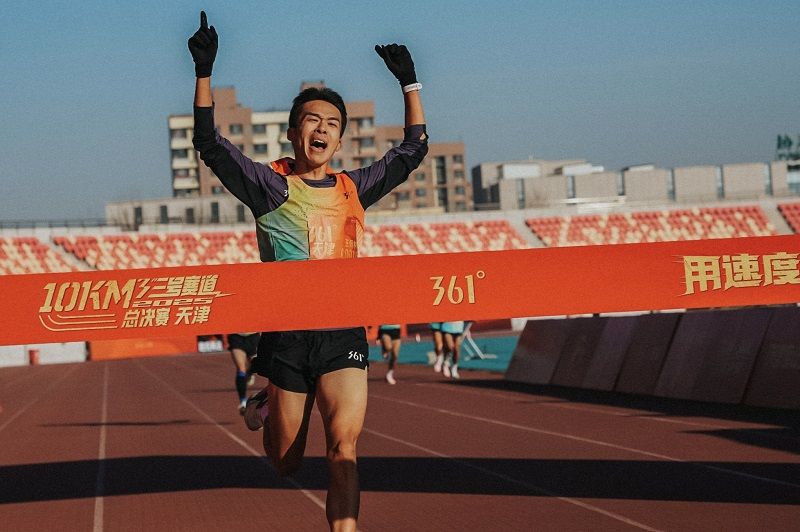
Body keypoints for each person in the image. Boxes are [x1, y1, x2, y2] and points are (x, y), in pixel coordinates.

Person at [188, 11, 428, 531]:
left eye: (333, 124)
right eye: (313, 120)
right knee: (286, 463)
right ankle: (267, 398)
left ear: (339, 141)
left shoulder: (353, 189)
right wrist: (204, 73)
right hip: (287, 338)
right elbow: (209, 145)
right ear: (294, 132)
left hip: (342, 333)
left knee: (344, 449)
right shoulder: (269, 186)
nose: (322, 129)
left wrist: (410, 83)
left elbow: (413, 149)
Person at [226, 332, 260, 413]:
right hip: (236, 336)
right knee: (241, 369)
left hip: (253, 336)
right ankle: (243, 402)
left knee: (256, 365)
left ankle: (249, 373)